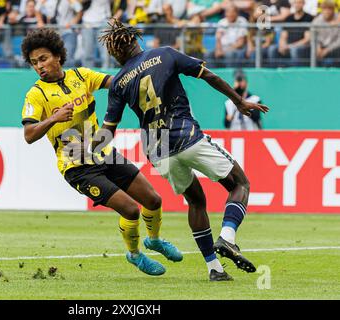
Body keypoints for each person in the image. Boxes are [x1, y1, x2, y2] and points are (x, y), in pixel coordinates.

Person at [95, 19, 269, 281]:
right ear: (135, 40)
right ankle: (227, 238)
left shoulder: (118, 82)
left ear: (115, 52)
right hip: (186, 136)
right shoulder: (165, 54)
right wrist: (239, 101)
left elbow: (108, 131)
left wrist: (84, 150)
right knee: (239, 183)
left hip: (157, 150)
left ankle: (214, 269)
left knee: (196, 201)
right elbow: (208, 75)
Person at [20, 28, 183, 276]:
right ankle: (135, 254)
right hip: (77, 166)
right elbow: (29, 135)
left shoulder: (81, 76)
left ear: (58, 56)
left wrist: (146, 74)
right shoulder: (36, 94)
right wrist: (53, 119)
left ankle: (154, 240)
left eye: (43, 59)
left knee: (153, 199)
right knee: (130, 209)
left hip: (103, 152)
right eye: (34, 63)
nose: (39, 66)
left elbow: (117, 82)